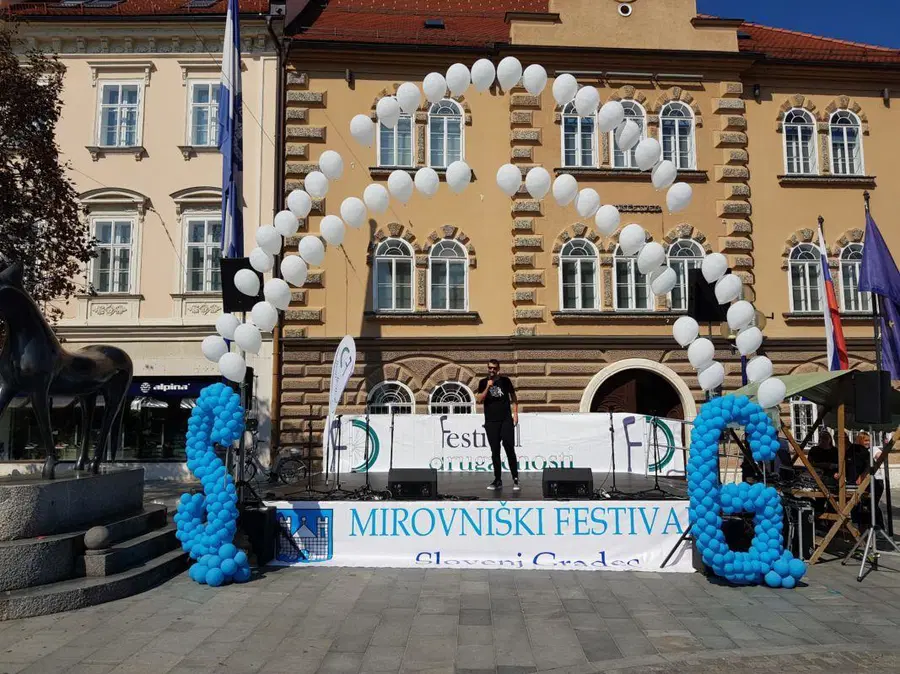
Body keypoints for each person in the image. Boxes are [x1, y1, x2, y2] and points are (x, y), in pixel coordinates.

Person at [476, 359, 520, 491]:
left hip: (506, 419)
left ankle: (515, 478)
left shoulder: (505, 381)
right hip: (491, 421)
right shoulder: (483, 382)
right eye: (490, 368)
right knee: (495, 451)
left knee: (509, 447)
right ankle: (497, 480)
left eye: (494, 368)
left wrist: (515, 414)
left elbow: (514, 397)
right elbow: (479, 400)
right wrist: (488, 387)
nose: (492, 370)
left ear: (498, 368)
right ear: (487, 368)